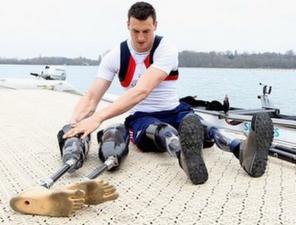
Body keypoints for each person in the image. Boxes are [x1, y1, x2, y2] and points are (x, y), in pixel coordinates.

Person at [64, 1, 274, 185]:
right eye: (135, 31)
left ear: (155, 25)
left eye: (146, 31)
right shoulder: (114, 56)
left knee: (202, 126)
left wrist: (99, 117)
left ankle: (241, 150)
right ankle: (185, 157)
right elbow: (92, 96)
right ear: (127, 25)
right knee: (162, 130)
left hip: (175, 110)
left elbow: (142, 90)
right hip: (142, 118)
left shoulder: (166, 49)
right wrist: (75, 124)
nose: (140, 37)